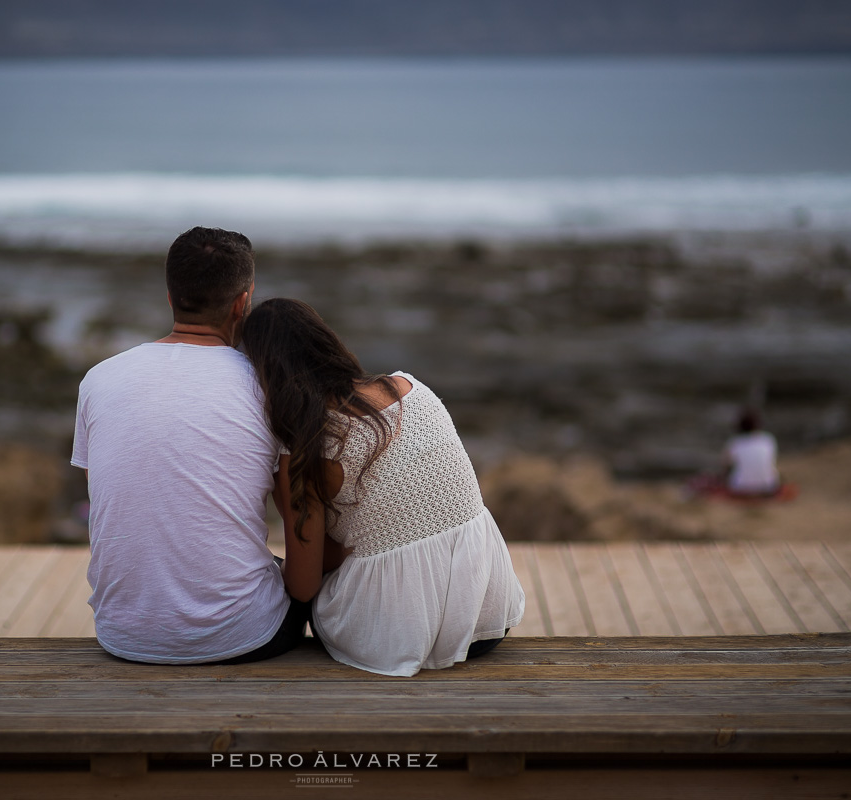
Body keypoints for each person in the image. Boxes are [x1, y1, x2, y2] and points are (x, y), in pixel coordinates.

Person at [241, 298, 526, 677]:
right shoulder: (411, 387)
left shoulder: (307, 450)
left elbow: (304, 585)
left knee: (284, 580)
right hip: (488, 613)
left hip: (395, 635)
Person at [71, 227, 308, 665]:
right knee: (297, 578)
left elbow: (116, 492)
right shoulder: (268, 387)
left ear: (169, 297)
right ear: (243, 302)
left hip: (122, 632)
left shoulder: (99, 379)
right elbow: (300, 520)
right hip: (244, 636)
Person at [723, 408, 780, 496]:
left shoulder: (735, 442)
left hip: (740, 487)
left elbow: (726, 465)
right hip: (768, 486)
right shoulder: (768, 439)